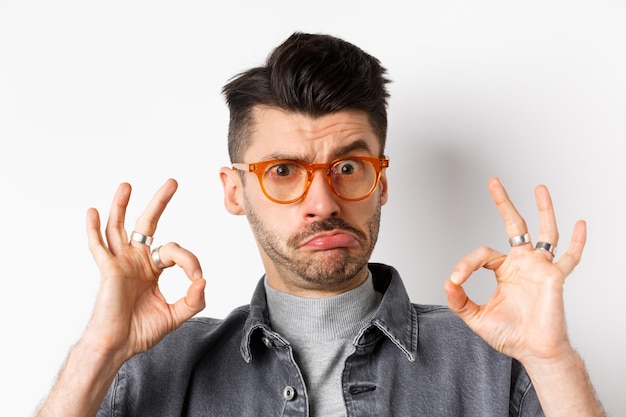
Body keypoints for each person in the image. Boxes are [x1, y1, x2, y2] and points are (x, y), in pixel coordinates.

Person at [35, 32, 605, 417]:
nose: (323, 201)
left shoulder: (493, 359)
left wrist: (551, 361)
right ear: (236, 191)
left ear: (381, 182)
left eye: (348, 167)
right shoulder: (160, 364)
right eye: (283, 170)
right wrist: (101, 349)